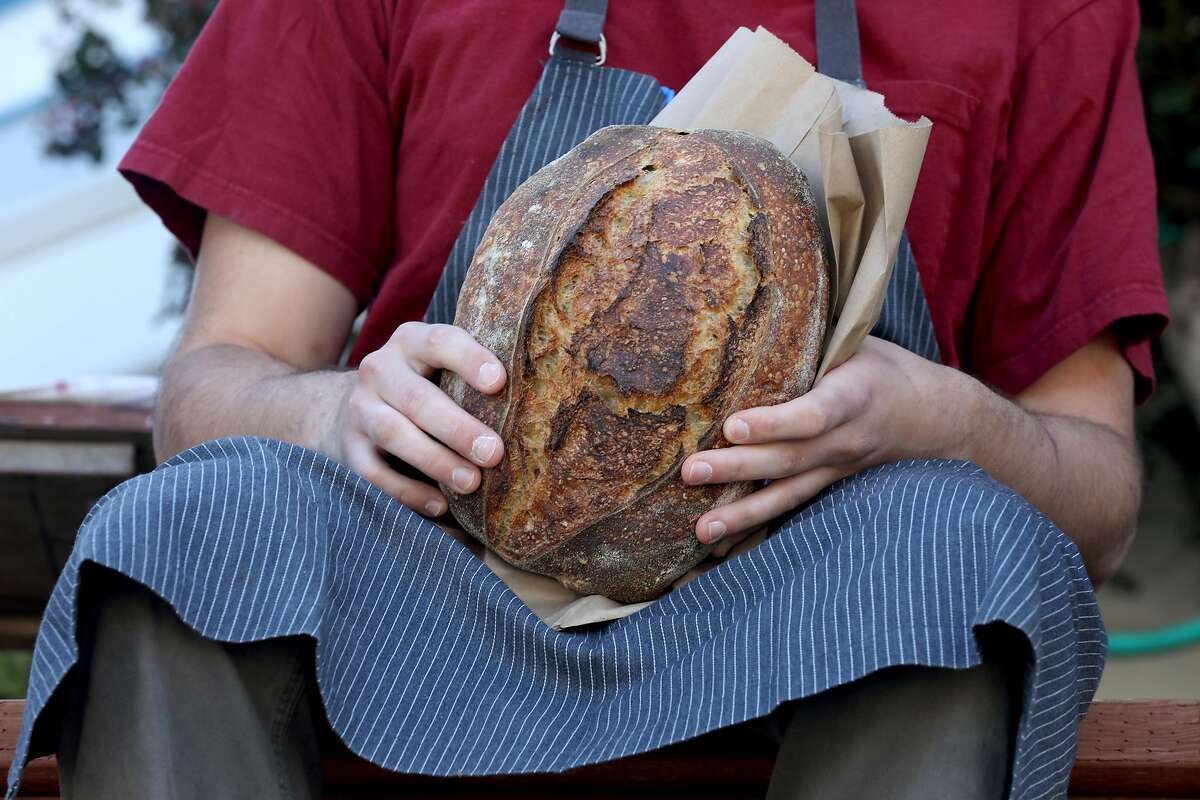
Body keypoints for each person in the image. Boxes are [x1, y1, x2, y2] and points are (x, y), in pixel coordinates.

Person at [5, 1, 1167, 799]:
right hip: (423, 609)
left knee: (958, 540)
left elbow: (1099, 491)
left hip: (831, 627)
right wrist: (336, 414)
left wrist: (943, 421)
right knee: (184, 522)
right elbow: (217, 376)